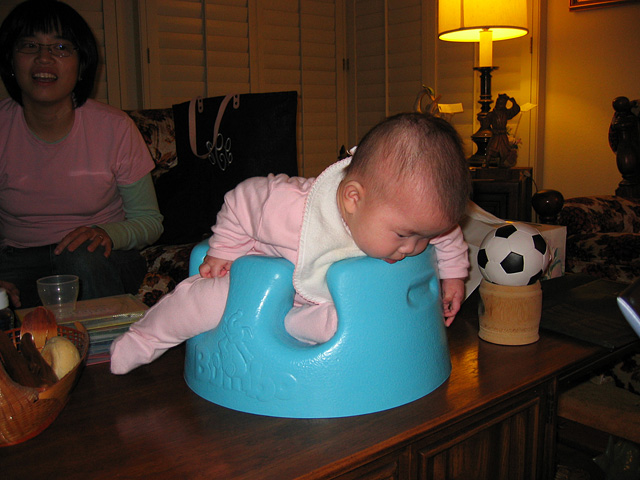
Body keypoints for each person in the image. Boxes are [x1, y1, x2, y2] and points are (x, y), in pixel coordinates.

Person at [110, 112, 471, 375]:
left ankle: (288, 324)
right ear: (353, 199)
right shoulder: (290, 208)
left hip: (317, 299)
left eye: (424, 237)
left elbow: (447, 232)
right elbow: (240, 198)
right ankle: (144, 339)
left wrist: (453, 275)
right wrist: (224, 250)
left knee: (352, 323)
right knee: (205, 300)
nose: (414, 248)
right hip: (260, 277)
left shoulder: (404, 214)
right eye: (405, 235)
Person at [0, 0, 163, 308]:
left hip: (100, 259)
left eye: (61, 47)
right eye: (30, 45)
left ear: (82, 62)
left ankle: (111, 351)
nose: (44, 58)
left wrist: (106, 233)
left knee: (81, 258)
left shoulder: (115, 128)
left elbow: (150, 221)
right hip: (17, 261)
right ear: (10, 59)